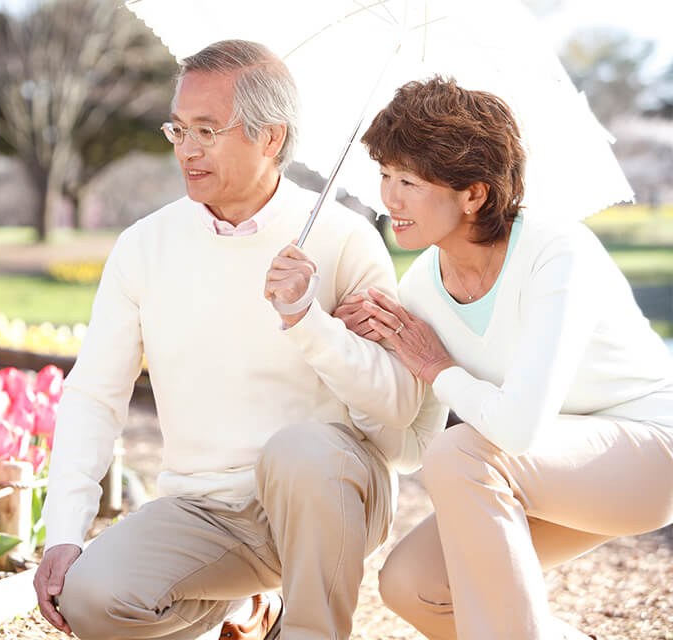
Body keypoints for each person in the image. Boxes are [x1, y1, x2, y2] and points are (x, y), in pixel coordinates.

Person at [32, 40, 444, 640]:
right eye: (178, 129)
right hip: (203, 511)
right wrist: (65, 532)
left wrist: (308, 318)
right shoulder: (144, 246)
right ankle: (246, 607)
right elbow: (94, 394)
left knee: (301, 451)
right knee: (91, 601)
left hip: (326, 500)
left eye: (206, 130)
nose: (187, 149)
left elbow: (399, 405)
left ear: (270, 137)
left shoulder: (345, 240)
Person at [333, 76, 673, 639]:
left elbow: (513, 428)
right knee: (415, 585)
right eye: (386, 176)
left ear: (474, 193)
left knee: (463, 452)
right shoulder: (419, 287)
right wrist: (357, 346)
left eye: (410, 181)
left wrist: (439, 368)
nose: (389, 198)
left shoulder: (556, 251)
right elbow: (413, 441)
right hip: (542, 466)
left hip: (652, 452)